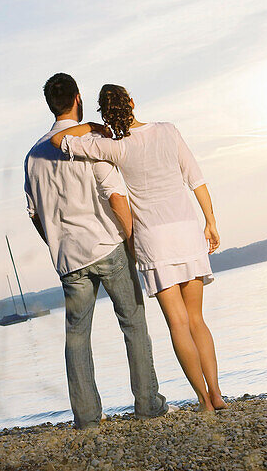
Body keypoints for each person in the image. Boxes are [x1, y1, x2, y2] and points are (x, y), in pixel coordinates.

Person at [50, 84, 225, 413]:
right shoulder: (168, 131)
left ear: (105, 112)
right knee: (198, 320)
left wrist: (93, 126)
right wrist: (210, 221)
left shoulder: (113, 148)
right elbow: (196, 179)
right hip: (187, 231)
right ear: (132, 102)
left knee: (178, 325)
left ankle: (204, 401)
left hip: (154, 241)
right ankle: (217, 394)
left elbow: (58, 140)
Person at [24, 73, 167, 429]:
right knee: (133, 324)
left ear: (50, 104)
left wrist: (55, 242)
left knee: (76, 336)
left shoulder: (32, 157)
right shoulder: (89, 140)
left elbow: (35, 215)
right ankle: (148, 405)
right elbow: (116, 196)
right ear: (77, 99)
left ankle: (87, 419)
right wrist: (131, 241)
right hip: (107, 246)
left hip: (69, 259)